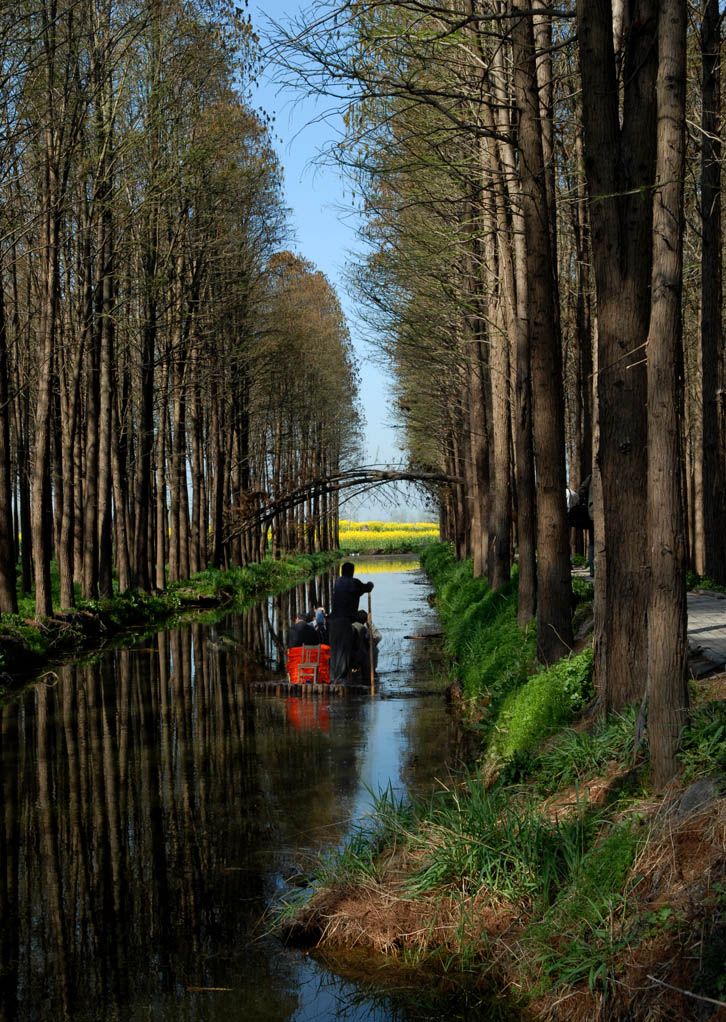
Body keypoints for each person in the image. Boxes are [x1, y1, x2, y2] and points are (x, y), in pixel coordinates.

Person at [328, 562, 374, 684]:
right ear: (352, 572)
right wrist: (371, 584)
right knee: (344, 650)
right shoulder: (354, 583)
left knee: (335, 649)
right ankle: (341, 679)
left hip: (333, 621)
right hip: (344, 621)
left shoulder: (338, 582)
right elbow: (367, 587)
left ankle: (333, 678)